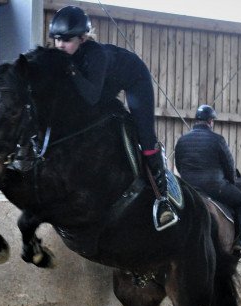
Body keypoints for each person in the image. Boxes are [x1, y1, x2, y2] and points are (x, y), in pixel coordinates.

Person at [48, 5, 178, 231]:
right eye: (57, 39)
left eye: (67, 40)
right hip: (104, 83)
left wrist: (70, 70)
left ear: (82, 38)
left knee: (145, 137)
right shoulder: (66, 56)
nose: (60, 45)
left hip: (134, 79)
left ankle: (162, 200)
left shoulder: (95, 54)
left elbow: (90, 97)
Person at [175, 105, 241, 254]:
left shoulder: (182, 141)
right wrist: (230, 182)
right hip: (215, 186)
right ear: (210, 121)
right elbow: (229, 166)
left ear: (197, 120)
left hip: (188, 188)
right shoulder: (218, 139)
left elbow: (179, 165)